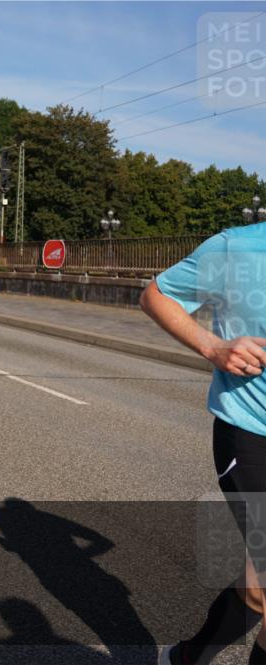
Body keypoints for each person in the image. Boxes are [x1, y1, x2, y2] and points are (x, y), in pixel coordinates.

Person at [140, 221, 265, 665]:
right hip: (252, 434)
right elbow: (156, 295)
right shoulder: (238, 248)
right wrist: (215, 349)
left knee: (256, 589)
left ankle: (186, 658)